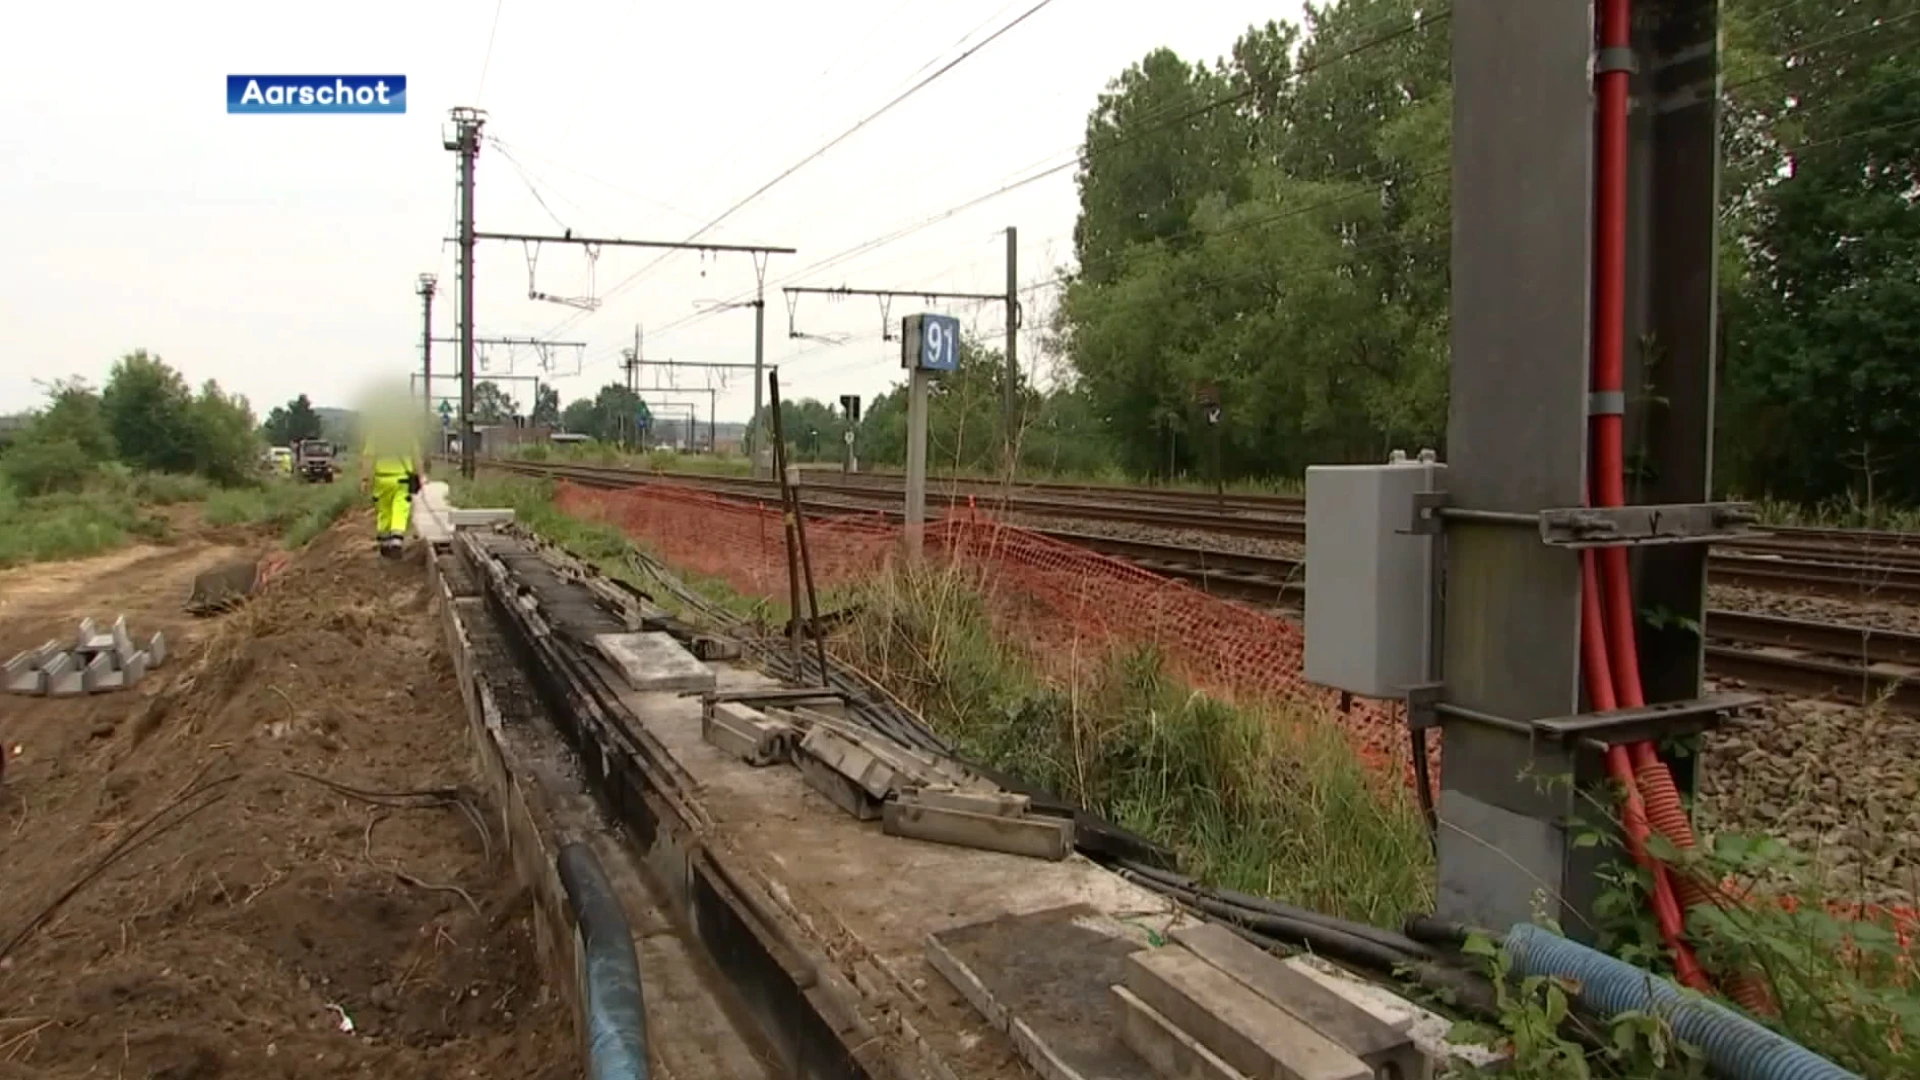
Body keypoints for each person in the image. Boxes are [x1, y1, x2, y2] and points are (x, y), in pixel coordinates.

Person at [360, 408, 424, 557]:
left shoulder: (375, 436)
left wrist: (365, 479)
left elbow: (368, 459)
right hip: (402, 479)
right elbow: (416, 458)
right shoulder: (408, 436)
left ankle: (384, 542)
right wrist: (420, 476)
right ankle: (396, 540)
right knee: (400, 508)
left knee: (384, 511)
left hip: (381, 480)